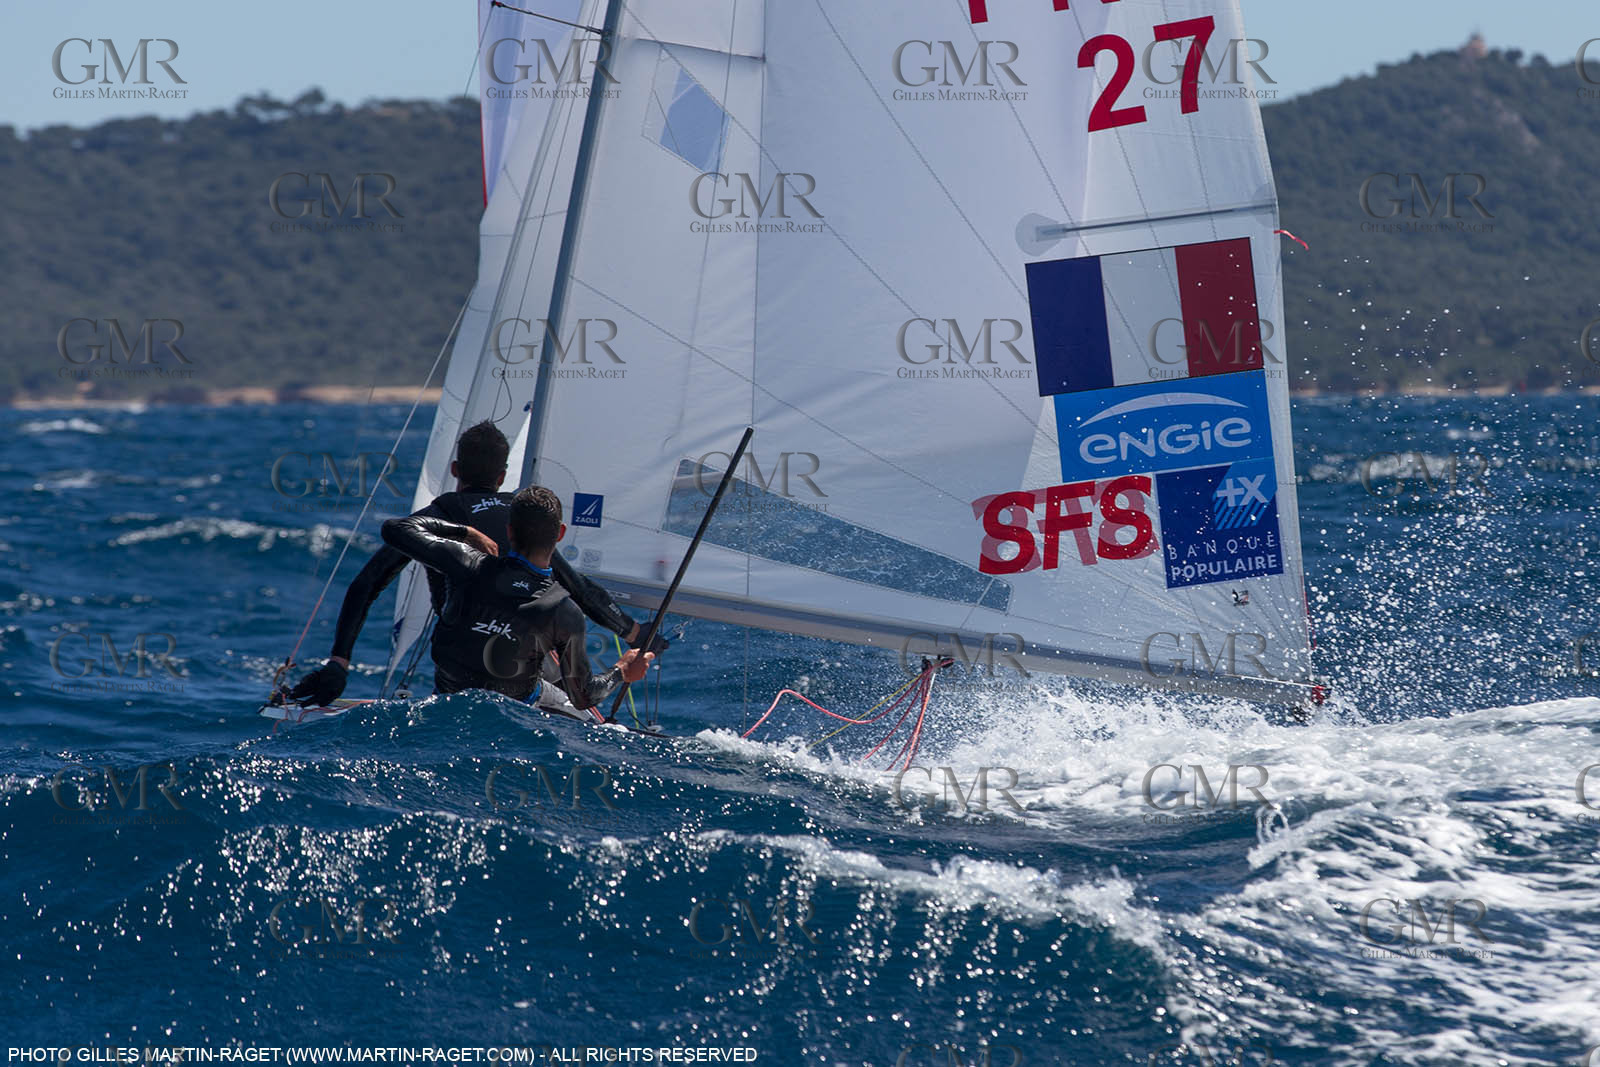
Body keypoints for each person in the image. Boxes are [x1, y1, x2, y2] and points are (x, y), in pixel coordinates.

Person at [279, 421, 658, 706]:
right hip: (528, 662)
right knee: (557, 663)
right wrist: (634, 634)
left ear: (456, 469)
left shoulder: (447, 519)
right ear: (502, 476)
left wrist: (339, 664)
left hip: (459, 660)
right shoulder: (528, 517)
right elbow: (580, 590)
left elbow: (368, 582)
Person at [379, 486, 653, 709]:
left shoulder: (467, 563)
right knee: (582, 711)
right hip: (515, 713)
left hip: (449, 696)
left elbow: (395, 528)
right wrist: (622, 671)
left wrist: (465, 531)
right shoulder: (563, 610)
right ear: (560, 534)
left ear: (509, 531)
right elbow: (584, 696)